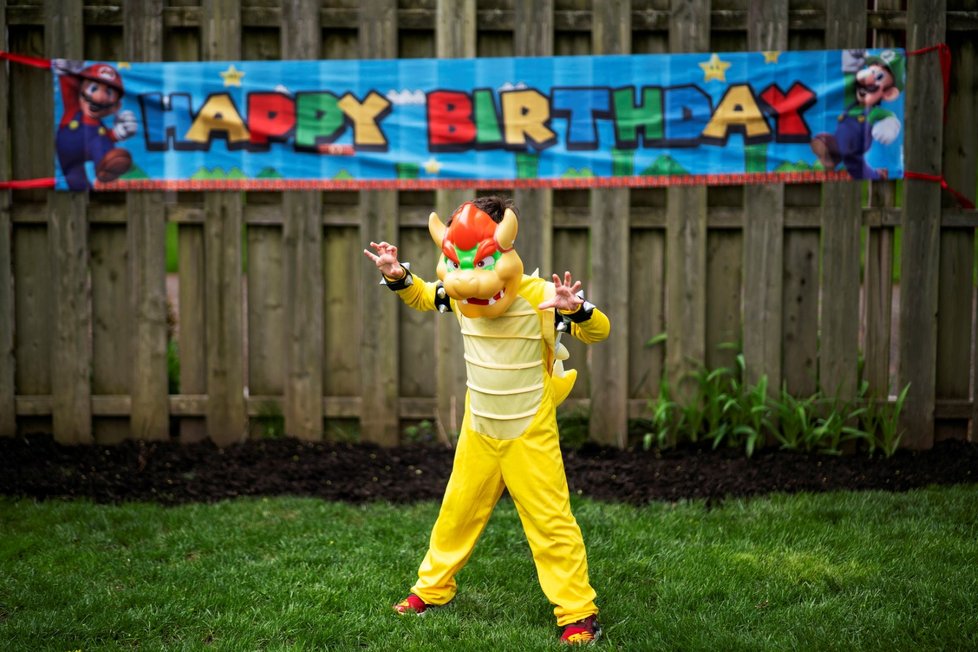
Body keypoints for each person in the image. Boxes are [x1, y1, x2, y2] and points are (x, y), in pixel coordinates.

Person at [363, 195, 610, 645]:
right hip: (480, 429)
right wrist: (397, 275)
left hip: (528, 432)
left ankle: (578, 612)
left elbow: (599, 331)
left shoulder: (540, 297)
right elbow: (424, 296)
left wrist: (575, 309)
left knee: (550, 522)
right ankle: (432, 589)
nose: (468, 280)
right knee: (456, 512)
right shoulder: (459, 292)